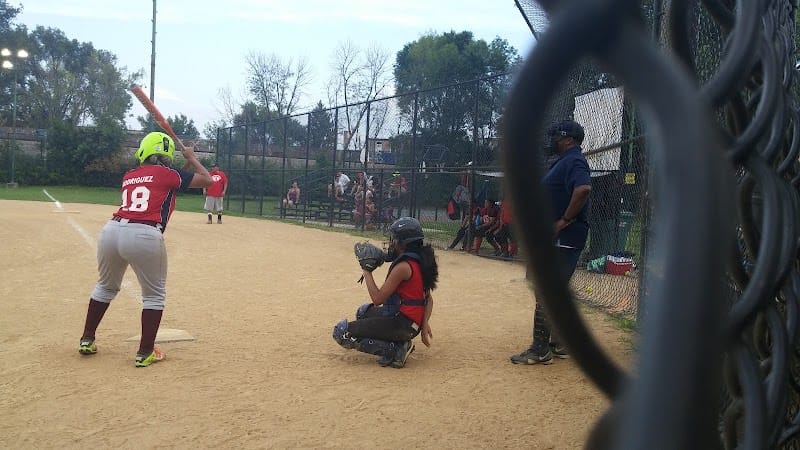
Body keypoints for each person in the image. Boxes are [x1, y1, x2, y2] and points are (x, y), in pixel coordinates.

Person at [78, 132, 213, 367]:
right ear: (164, 157)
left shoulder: (130, 175)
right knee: (154, 295)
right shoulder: (167, 174)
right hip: (144, 233)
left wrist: (187, 162)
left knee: (105, 286)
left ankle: (87, 340)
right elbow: (207, 180)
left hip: (112, 231)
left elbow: (167, 180)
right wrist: (192, 157)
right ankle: (145, 352)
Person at [511, 119, 592, 365]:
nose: (553, 140)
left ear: (569, 140)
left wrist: (564, 220)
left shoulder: (575, 160)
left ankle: (540, 349)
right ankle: (558, 341)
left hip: (563, 238)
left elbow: (583, 189)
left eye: (557, 136)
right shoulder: (566, 161)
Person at [332, 217, 438, 368]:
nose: (391, 242)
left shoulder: (403, 267)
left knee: (341, 332)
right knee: (363, 312)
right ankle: (400, 343)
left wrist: (366, 270)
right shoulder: (419, 261)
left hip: (402, 324)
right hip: (411, 323)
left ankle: (395, 350)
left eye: (394, 239)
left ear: (403, 243)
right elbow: (429, 300)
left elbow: (377, 298)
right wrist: (424, 325)